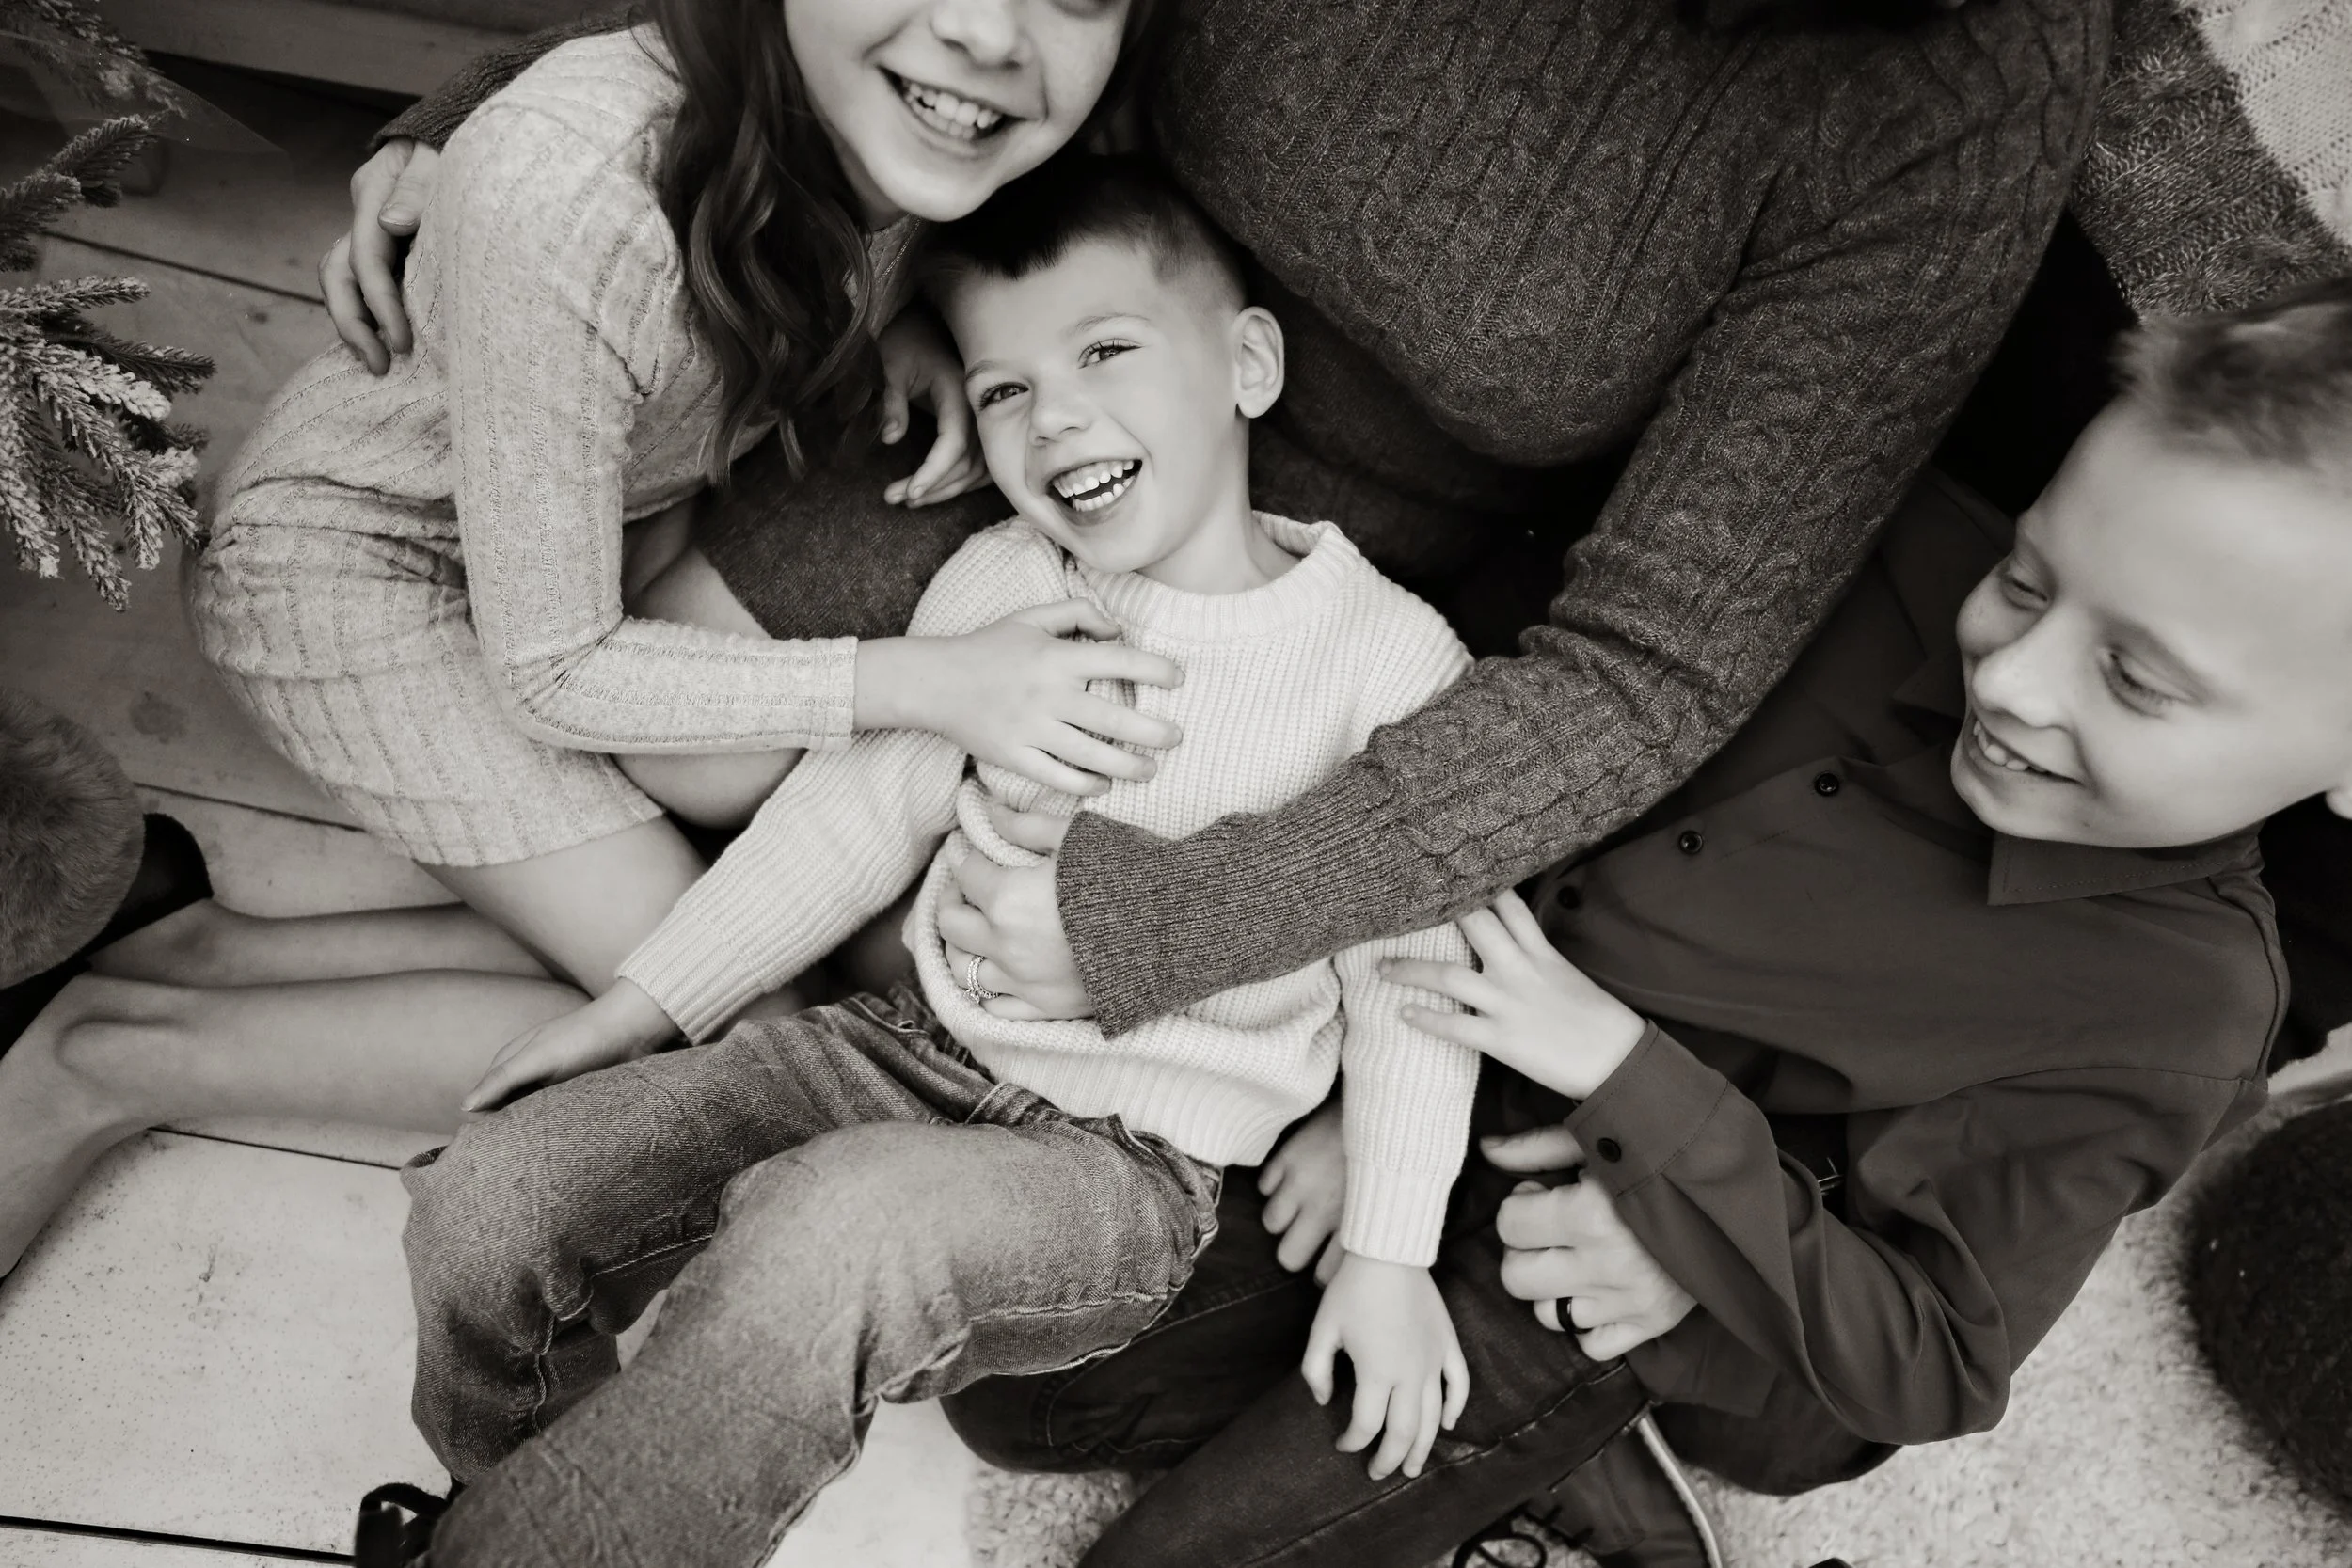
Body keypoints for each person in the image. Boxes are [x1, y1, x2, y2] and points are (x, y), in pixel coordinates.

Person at [939, 278, 2352, 1568]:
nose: (2020, 678)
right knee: (1021, 1397)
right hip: (1437, 1069)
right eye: (2028, 581)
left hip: (1630, 1267)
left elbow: (1933, 1355)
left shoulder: (2179, 1012)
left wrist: (1643, 1114)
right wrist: (1383, 1109)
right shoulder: (1882, 534)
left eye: (2138, 679)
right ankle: (1568, 1475)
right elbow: (1519, 737)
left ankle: (1560, 1444)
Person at [361, 156, 1486, 1568]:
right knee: (491, 1198)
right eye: (1004, 386)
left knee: (833, 1233)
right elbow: (852, 815)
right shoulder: (1008, 583)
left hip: (1119, 1170)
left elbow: (1418, 983)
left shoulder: (1390, 664)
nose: (1052, 414)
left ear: (1247, 363)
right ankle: (526, 1522)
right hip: (900, 1052)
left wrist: (1390, 1252)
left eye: (1106, 351)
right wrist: (645, 1004)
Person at [0, 0, 1173, 1277]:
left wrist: (901, 315)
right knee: (757, 1046)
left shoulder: (907, 118)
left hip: (572, 551)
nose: (990, 31)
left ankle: (191, 956)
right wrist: (937, 685)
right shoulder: (578, 188)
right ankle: (98, 1063)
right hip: (353, 575)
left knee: (740, 941)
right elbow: (558, 671)